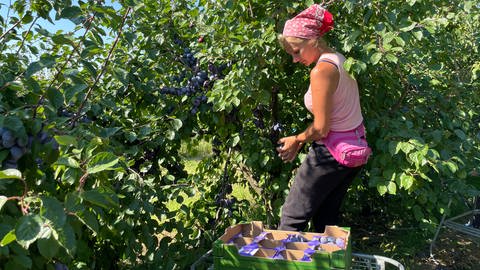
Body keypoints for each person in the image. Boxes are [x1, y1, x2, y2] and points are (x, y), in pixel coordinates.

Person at [276, 4, 367, 233]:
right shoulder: (339, 58)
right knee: (326, 220)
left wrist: (297, 139)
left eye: (297, 51)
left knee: (291, 218)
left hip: (330, 152)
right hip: (353, 148)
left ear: (313, 39)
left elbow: (321, 128)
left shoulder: (321, 71)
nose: (295, 59)